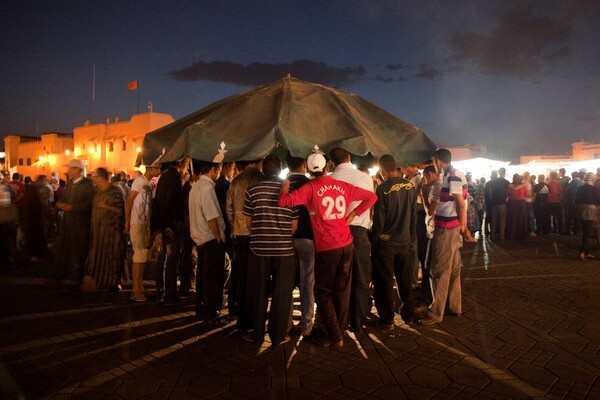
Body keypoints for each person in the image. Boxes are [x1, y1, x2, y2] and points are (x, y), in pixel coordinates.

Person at [278, 152, 377, 347]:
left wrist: (285, 188)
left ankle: (335, 335)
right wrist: (352, 216)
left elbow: (284, 202)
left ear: (309, 169)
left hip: (326, 246)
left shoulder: (309, 188)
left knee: (322, 291)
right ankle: (339, 330)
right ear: (325, 167)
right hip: (346, 243)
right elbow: (371, 197)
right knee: (342, 290)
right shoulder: (342, 186)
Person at [243, 155, 298, 345]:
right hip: (284, 250)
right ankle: (278, 335)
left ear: (263, 171)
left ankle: (257, 334)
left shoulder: (252, 190)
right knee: (282, 294)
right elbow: (294, 225)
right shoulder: (290, 190)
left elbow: (249, 223)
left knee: (258, 293)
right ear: (280, 169)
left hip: (259, 249)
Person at [329, 147, 375, 333]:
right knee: (361, 278)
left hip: (336, 234)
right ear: (349, 157)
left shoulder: (330, 180)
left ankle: (340, 319)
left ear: (332, 163)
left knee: (339, 279)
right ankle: (358, 321)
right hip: (360, 232)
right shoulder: (365, 178)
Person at [419, 148, 466, 325]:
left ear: (438, 161)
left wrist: (463, 227)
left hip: (447, 228)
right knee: (453, 270)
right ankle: (455, 306)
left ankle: (435, 312)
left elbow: (461, 203)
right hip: (451, 228)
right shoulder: (453, 174)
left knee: (439, 270)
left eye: (434, 162)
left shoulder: (451, 175)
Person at [370, 154, 417, 328]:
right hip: (405, 241)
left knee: (385, 282)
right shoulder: (410, 187)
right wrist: (412, 239)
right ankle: (409, 315)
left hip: (386, 243)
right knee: (405, 281)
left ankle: (387, 318)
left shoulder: (382, 189)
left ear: (382, 169)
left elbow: (379, 222)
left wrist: (373, 240)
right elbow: (413, 217)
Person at [226, 160, 263, 332]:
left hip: (240, 233)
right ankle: (252, 318)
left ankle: (239, 314)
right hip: (257, 234)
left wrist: (235, 226)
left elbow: (229, 209)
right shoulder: (260, 179)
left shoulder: (236, 181)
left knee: (240, 274)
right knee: (255, 277)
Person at [189, 161, 227, 324]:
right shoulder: (207, 188)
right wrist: (218, 237)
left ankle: (202, 308)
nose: (219, 174)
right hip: (210, 238)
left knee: (202, 276)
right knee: (213, 278)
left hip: (199, 238)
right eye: (218, 170)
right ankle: (211, 312)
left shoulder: (195, 187)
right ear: (213, 170)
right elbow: (212, 217)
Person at [152, 157, 190, 306]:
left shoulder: (164, 176)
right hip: (172, 224)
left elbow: (159, 202)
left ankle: (160, 290)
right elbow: (168, 203)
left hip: (165, 223)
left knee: (163, 259)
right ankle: (170, 294)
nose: (187, 167)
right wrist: (168, 226)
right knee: (171, 260)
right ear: (181, 163)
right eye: (187, 164)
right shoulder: (175, 178)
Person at [286, 154, 316, 338]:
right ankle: (307, 325)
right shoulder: (311, 185)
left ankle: (286, 323)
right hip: (307, 238)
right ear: (304, 166)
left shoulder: (283, 186)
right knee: (308, 282)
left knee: (286, 282)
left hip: (286, 239)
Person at [82, 168, 125, 292]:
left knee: (111, 258)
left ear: (101, 177)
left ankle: (114, 282)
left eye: (95, 176)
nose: (93, 178)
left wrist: (105, 206)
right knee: (98, 258)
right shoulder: (97, 192)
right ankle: (100, 281)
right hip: (98, 233)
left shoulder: (114, 192)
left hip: (111, 234)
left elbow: (120, 211)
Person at [54, 159, 95, 285]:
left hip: (80, 224)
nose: (69, 171)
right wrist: (62, 204)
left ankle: (77, 276)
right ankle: (68, 274)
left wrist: (72, 207)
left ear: (78, 170)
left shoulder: (87, 185)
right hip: (69, 222)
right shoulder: (72, 183)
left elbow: (88, 203)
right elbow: (68, 198)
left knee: (79, 249)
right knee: (68, 248)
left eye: (71, 168)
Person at [125, 163, 161, 301]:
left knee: (143, 256)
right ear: (150, 168)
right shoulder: (139, 181)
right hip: (137, 222)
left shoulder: (148, 183)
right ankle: (135, 289)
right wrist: (127, 221)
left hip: (144, 223)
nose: (159, 170)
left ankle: (139, 286)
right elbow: (129, 201)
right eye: (157, 167)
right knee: (138, 255)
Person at [575, 173, 599, 260]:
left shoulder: (580, 189)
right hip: (591, 212)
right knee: (588, 233)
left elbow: (576, 200)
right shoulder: (594, 189)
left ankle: (586, 252)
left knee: (586, 232)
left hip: (582, 211)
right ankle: (582, 252)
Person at [485, 168, 509, 240]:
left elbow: (489, 193)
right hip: (502, 203)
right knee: (502, 220)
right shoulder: (505, 182)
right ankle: (502, 236)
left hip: (493, 204)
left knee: (493, 220)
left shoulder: (490, 183)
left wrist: (492, 200)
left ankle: (492, 236)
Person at [506, 174, 527, 241]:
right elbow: (526, 195)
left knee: (511, 219)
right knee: (520, 220)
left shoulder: (510, 186)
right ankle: (520, 235)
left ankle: (511, 235)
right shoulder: (523, 186)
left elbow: (507, 195)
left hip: (512, 203)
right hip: (521, 203)